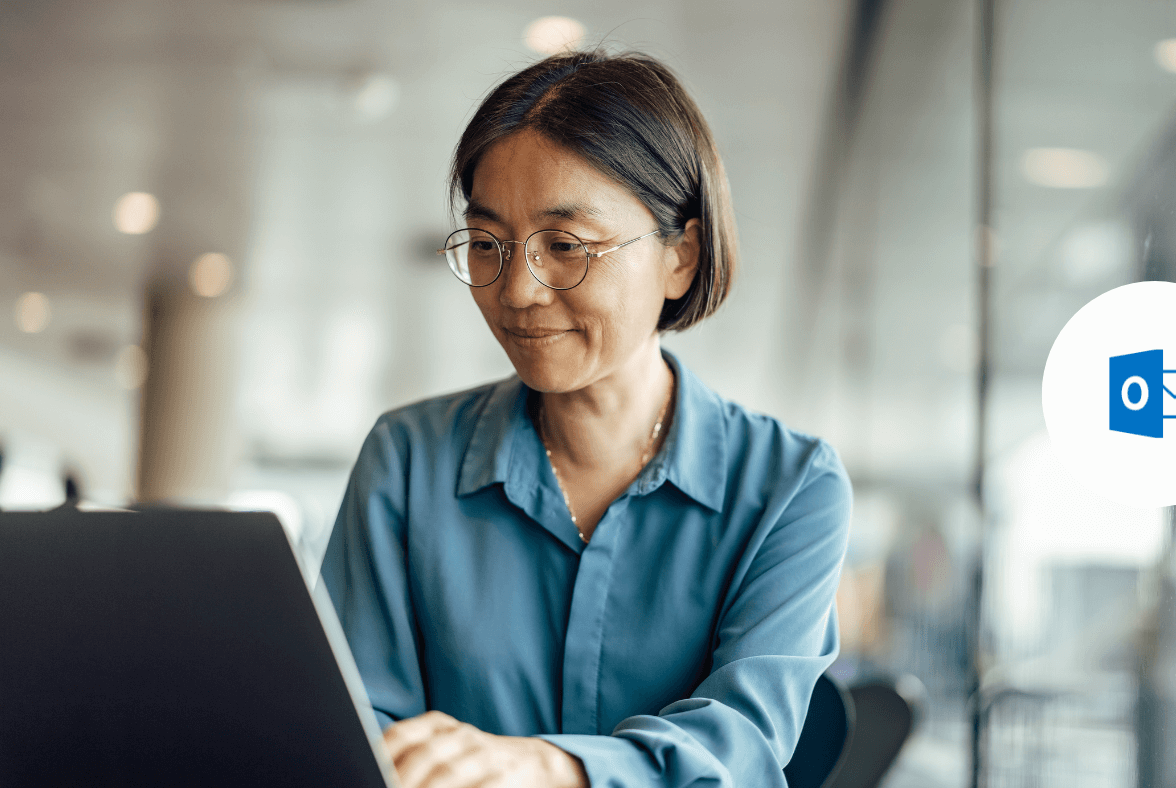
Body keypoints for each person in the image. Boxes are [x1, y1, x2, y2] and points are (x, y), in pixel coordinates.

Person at [320, 49, 852, 788]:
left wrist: (551, 768)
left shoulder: (791, 486)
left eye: (564, 246)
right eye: (486, 246)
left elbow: (742, 744)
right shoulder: (409, 460)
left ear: (681, 257)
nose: (517, 292)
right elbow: (354, 727)